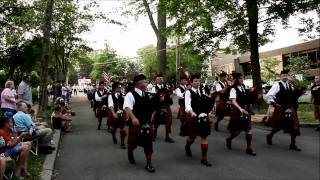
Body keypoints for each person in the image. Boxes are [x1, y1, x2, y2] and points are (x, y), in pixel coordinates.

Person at [124, 74, 155, 172]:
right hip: (136, 123)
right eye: (145, 82)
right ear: (139, 83)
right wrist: (133, 118)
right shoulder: (130, 94)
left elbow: (150, 109)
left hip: (146, 123)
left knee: (148, 144)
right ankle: (130, 151)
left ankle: (149, 163)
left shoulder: (146, 94)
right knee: (133, 143)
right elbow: (127, 107)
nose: (146, 83)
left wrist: (151, 120)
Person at [265, 70, 302, 151]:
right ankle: (270, 135)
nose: (285, 77)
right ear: (280, 76)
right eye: (283, 75)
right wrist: (273, 103)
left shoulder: (290, 85)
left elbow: (294, 96)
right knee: (278, 126)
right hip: (281, 108)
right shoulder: (277, 85)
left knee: (294, 126)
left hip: (290, 109)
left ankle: (293, 144)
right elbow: (269, 95)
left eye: (286, 75)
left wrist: (299, 90)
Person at [184, 74, 214, 167]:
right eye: (195, 81)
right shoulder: (188, 92)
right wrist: (191, 112)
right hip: (193, 116)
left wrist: (208, 111)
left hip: (203, 116)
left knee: (204, 136)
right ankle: (187, 146)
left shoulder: (202, 90)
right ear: (191, 82)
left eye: (198, 81)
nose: (197, 82)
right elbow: (187, 104)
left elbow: (206, 102)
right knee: (192, 137)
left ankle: (204, 158)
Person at [226, 73, 256, 156]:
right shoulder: (233, 89)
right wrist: (240, 109)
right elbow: (233, 101)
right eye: (240, 78)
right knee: (237, 132)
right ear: (236, 80)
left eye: (242, 78)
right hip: (237, 111)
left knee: (249, 129)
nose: (242, 80)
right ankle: (229, 139)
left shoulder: (243, 87)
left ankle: (249, 148)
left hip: (246, 111)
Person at [151, 74, 174, 143]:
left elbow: (168, 98)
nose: (161, 80)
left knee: (168, 122)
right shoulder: (154, 89)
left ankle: (167, 137)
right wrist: (159, 99)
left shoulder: (166, 88)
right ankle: (153, 135)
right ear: (156, 80)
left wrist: (169, 98)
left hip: (166, 106)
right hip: (158, 107)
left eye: (162, 79)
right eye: (159, 79)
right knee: (156, 122)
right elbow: (153, 100)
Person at [108, 82, 126, 149]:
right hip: (114, 114)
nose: (120, 88)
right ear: (115, 88)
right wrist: (113, 113)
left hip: (121, 114)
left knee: (122, 129)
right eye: (118, 87)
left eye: (120, 87)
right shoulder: (111, 96)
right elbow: (111, 105)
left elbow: (126, 104)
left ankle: (122, 143)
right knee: (114, 129)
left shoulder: (123, 95)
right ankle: (113, 136)